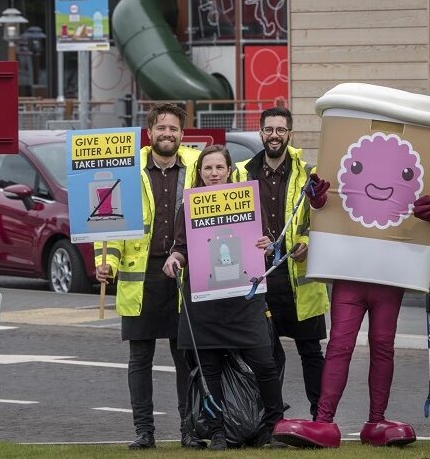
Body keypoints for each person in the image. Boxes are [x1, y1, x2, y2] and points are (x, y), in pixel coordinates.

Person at [274, 191, 430, 449]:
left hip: (388, 270)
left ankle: (374, 420)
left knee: (382, 346)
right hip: (354, 269)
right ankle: (325, 420)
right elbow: (328, 202)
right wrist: (319, 200)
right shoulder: (345, 158)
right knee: (340, 346)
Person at [163, 144, 286, 450]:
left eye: (219, 167)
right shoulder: (188, 207)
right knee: (210, 370)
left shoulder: (248, 200)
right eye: (207, 168)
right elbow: (181, 246)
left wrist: (267, 246)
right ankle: (218, 432)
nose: (214, 173)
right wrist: (174, 258)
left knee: (265, 363)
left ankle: (274, 426)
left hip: (245, 298)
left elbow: (267, 244)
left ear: (230, 170)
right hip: (205, 301)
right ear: (200, 173)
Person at [94, 103, 202, 450]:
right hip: (139, 280)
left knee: (185, 359)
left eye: (173, 129)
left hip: (183, 277)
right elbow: (107, 223)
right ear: (149, 132)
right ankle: (144, 432)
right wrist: (105, 261)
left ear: (181, 135)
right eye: (161, 128)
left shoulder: (195, 167)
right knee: (139, 360)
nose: (167, 134)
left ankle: (189, 429)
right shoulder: (128, 170)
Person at [236, 106, 330, 421]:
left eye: (280, 130)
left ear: (290, 134)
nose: (274, 135)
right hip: (259, 281)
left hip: (298, 280)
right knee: (265, 357)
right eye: (269, 129)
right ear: (261, 133)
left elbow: (324, 221)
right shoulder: (241, 173)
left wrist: (308, 242)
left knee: (311, 353)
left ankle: (321, 417)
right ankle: (268, 419)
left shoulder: (309, 173)